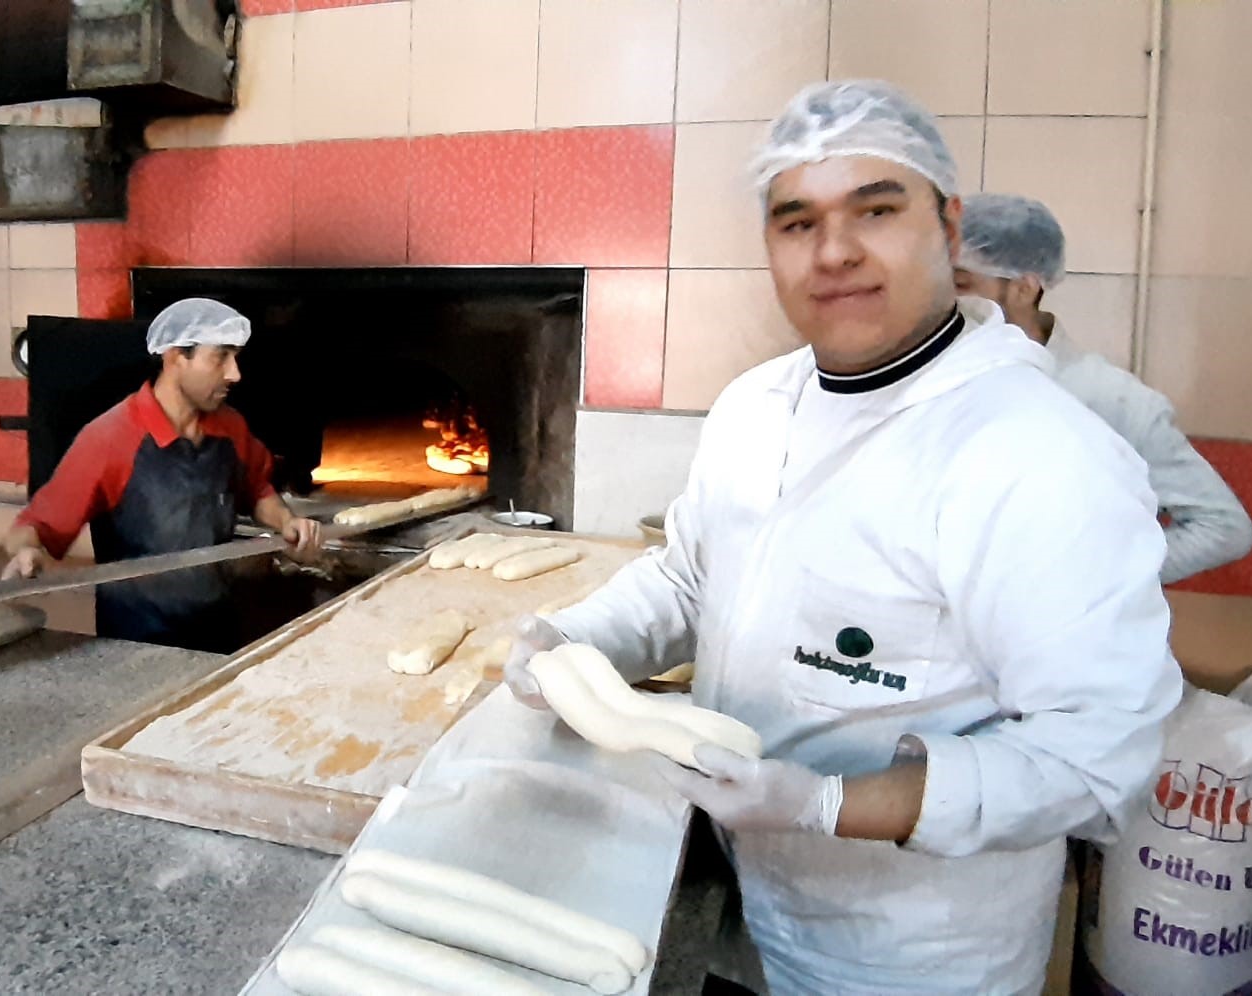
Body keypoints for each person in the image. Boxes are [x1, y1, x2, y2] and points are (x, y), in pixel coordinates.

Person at [504, 81, 1183, 994]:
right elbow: (690, 582)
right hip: (733, 897)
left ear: (949, 228)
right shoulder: (755, 406)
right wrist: (579, 639)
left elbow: (1097, 756)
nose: (834, 252)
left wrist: (829, 805)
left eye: (876, 209)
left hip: (910, 950)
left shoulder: (1039, 453)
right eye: (796, 222)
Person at [954, 192, 1252, 582]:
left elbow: (1222, 528)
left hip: (1055, 635)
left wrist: (1094, 583)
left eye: (961, 284)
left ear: (1024, 288)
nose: (945, 301)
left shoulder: (1111, 399)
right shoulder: (940, 383)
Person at [0, 298, 321, 648]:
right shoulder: (111, 438)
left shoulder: (230, 427)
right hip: (138, 643)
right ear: (174, 357)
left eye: (235, 357)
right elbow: (37, 525)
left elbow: (257, 488)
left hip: (220, 629)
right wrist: (26, 552)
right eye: (220, 357)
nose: (234, 374)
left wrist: (286, 522)